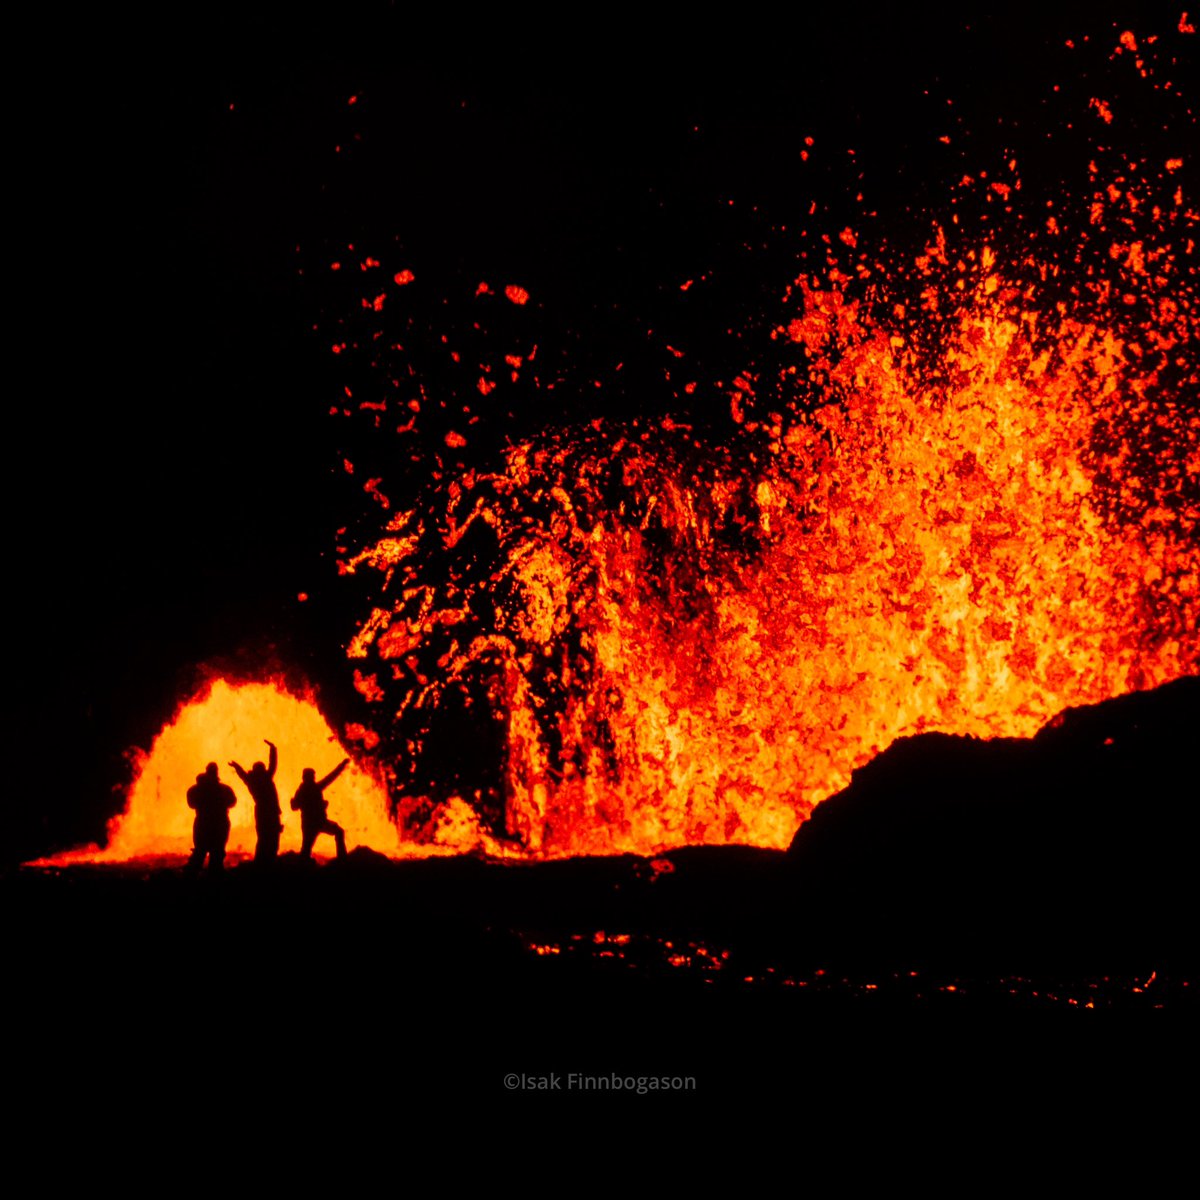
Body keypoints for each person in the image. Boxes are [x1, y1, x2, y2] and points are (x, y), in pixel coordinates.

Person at [229, 739, 282, 864]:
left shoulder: (251, 780)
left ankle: (261, 860)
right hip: (271, 811)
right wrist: (273, 748)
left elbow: (242, 774)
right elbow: (273, 764)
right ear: (262, 769)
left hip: (262, 811)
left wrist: (236, 766)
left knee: (263, 836)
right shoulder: (266, 777)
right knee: (272, 836)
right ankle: (269, 860)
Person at [291, 758, 351, 860]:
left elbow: (294, 806)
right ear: (307, 777)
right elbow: (330, 778)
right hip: (314, 823)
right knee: (338, 832)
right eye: (312, 776)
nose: (314, 778)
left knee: (306, 849)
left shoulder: (304, 790)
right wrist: (342, 765)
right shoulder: (310, 789)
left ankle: (303, 864)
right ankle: (342, 859)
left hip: (312, 823)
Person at [186, 762, 236, 873]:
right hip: (220, 822)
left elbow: (191, 804)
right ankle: (214, 876)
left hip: (203, 822)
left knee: (200, 850)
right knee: (217, 852)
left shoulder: (196, 789)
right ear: (217, 772)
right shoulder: (224, 789)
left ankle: (190, 876)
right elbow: (232, 802)